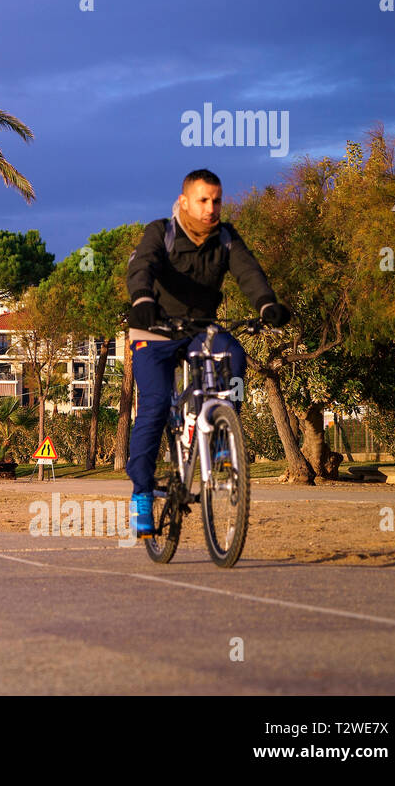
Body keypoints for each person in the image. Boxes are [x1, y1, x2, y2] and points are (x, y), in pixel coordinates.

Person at [125, 169, 290, 536]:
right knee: (153, 406)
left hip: (200, 328)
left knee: (234, 355)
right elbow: (141, 266)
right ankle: (141, 493)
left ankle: (219, 436)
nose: (211, 208)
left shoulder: (227, 238)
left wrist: (266, 305)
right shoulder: (161, 232)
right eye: (203, 200)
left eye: (216, 200)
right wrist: (142, 300)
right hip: (154, 328)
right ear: (184, 202)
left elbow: (250, 273)